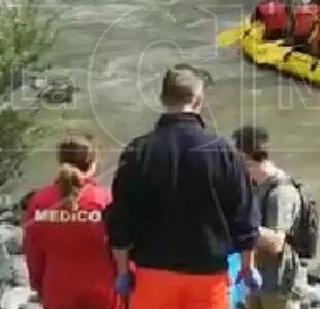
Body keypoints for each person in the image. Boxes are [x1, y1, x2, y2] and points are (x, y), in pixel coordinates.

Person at [106, 64, 261, 309]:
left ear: (162, 99)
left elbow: (120, 217)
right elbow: (244, 215)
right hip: (208, 277)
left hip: (153, 274)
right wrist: (247, 266)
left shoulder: (138, 150)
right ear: (199, 99)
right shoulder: (223, 152)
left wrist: (123, 271)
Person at [23, 131, 120, 309]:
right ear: (92, 164)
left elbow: (32, 251)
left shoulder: (39, 201)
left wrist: (38, 285)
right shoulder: (105, 200)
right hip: (102, 293)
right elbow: (120, 248)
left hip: (57, 292)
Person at [232, 126, 306, 309]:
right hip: (255, 278)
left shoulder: (281, 192)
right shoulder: (255, 185)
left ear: (245, 157)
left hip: (279, 285)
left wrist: (239, 226)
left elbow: (276, 243)